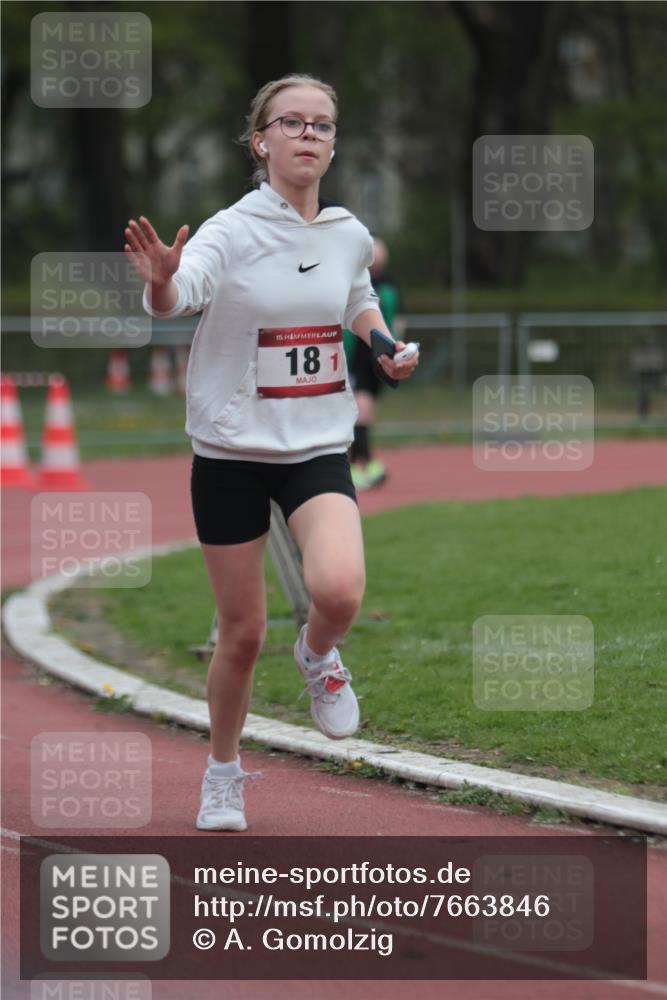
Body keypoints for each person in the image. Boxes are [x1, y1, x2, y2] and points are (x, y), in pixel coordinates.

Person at [124, 74, 419, 833]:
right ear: (261, 141)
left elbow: (354, 296)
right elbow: (181, 292)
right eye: (292, 122)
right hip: (229, 450)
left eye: (322, 124)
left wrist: (381, 344)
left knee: (341, 590)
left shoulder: (348, 231)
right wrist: (159, 284)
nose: (309, 135)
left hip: (317, 442)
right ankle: (223, 773)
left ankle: (320, 656)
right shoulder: (230, 229)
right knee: (243, 631)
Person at [347, 238, 403, 489]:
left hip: (368, 352)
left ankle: (360, 461)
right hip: (365, 352)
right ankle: (360, 462)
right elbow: (400, 322)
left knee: (361, 404)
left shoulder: (373, 285)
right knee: (362, 404)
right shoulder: (386, 286)